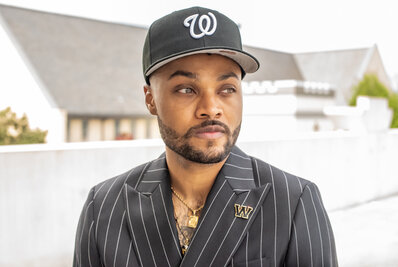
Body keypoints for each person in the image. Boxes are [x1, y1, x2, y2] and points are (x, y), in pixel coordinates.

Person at [73, 6, 338, 267]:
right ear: (150, 99)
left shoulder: (292, 202)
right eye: (187, 89)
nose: (211, 108)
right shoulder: (105, 206)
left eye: (227, 88)